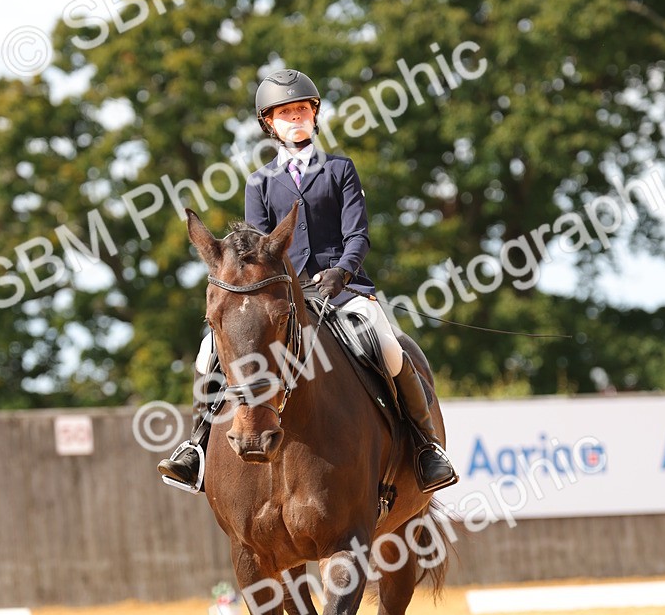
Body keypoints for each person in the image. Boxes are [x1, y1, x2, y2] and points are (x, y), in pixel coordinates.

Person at [159, 67, 457, 493]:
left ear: (314, 115)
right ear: (270, 123)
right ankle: (195, 447)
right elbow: (256, 250)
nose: (295, 118)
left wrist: (342, 271)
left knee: (388, 346)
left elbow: (358, 234)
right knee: (208, 354)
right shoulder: (260, 182)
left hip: (342, 287)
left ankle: (427, 448)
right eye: (285, 113)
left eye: (302, 110)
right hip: (282, 293)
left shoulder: (340, 169)